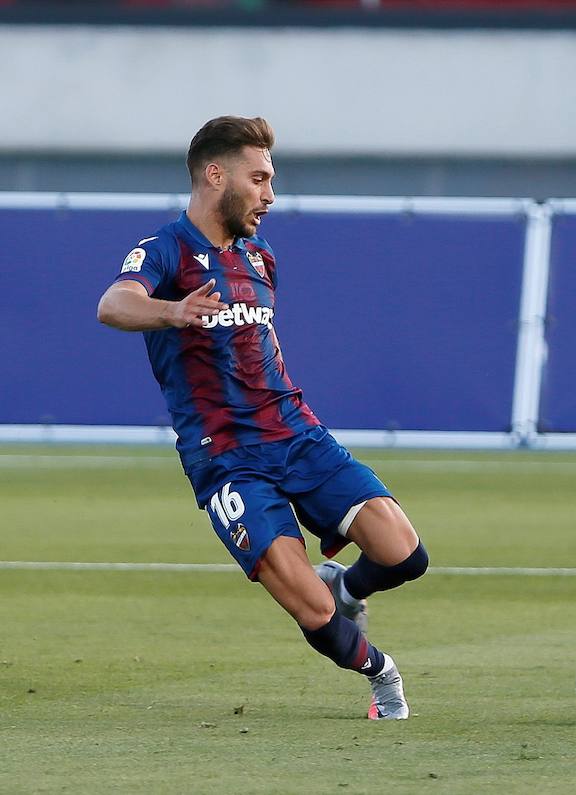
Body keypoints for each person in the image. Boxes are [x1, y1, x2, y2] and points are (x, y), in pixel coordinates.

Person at [96, 116, 428, 720]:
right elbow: (113, 304)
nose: (270, 195)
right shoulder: (164, 250)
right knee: (307, 605)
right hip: (225, 458)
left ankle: (347, 587)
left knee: (405, 554)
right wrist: (172, 313)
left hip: (295, 433)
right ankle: (384, 678)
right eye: (260, 179)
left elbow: (258, 344)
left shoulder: (258, 254)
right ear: (215, 175)